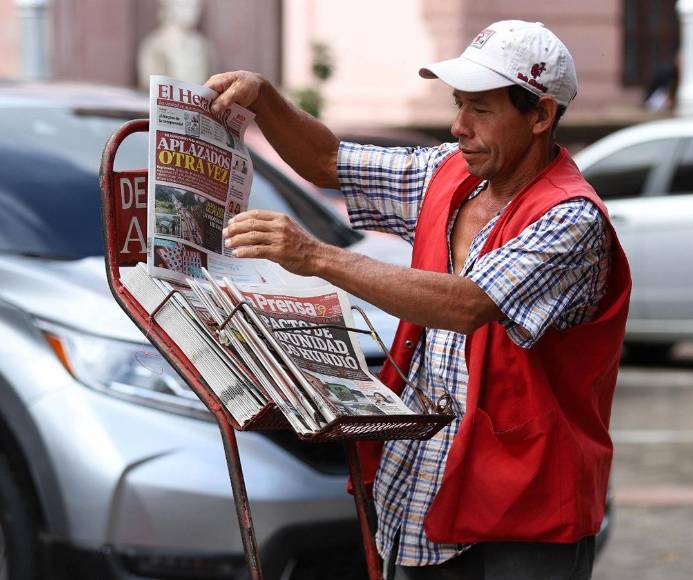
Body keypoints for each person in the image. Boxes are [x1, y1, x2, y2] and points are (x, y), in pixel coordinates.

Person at [210, 19, 631, 580]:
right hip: (422, 488)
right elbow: (327, 162)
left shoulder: (571, 218)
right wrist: (265, 98)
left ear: (540, 116)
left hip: (523, 507)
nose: (459, 126)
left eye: (480, 110)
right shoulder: (448, 172)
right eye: (459, 105)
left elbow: (467, 305)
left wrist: (314, 256)